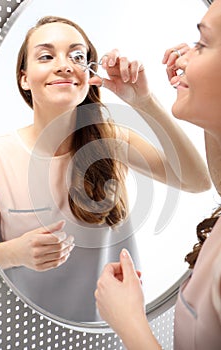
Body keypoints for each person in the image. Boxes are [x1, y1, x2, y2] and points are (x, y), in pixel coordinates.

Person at [0, 15, 210, 322]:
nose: (64, 64)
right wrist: (13, 253)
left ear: (88, 74)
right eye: (46, 56)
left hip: (110, 331)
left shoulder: (110, 140)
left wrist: (144, 101)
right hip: (23, 326)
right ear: (24, 78)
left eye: (77, 56)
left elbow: (197, 180)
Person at [95, 0, 221, 348]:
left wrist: (128, 321)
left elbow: (196, 180)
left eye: (202, 44)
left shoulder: (108, 139)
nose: (181, 57)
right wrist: (145, 100)